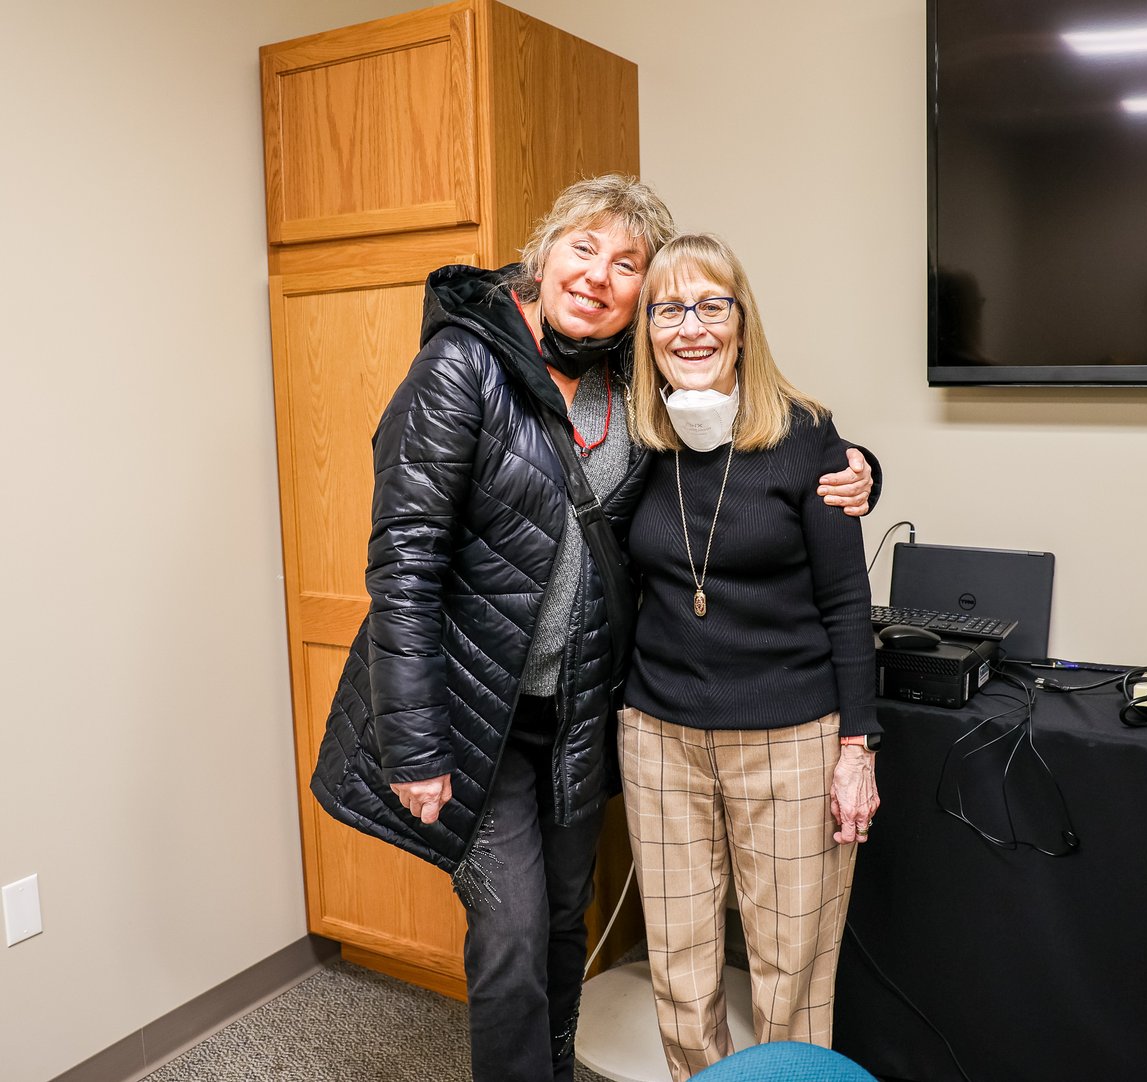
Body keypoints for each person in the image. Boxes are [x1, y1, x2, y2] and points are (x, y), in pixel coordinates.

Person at [311, 178, 876, 1082]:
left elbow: (753, 463)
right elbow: (405, 562)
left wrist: (857, 469)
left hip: (577, 719)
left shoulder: (634, 392)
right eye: (585, 249)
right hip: (480, 719)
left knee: (568, 921)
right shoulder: (464, 368)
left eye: (628, 267)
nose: (600, 277)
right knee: (513, 933)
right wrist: (413, 741)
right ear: (544, 253)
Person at [621, 232, 882, 1081]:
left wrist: (857, 749)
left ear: (741, 321)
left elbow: (848, 601)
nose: (689, 327)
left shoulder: (807, 437)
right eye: (667, 309)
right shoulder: (632, 441)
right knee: (680, 964)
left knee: (792, 967)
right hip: (659, 735)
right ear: (646, 331)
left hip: (791, 736)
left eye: (711, 305)